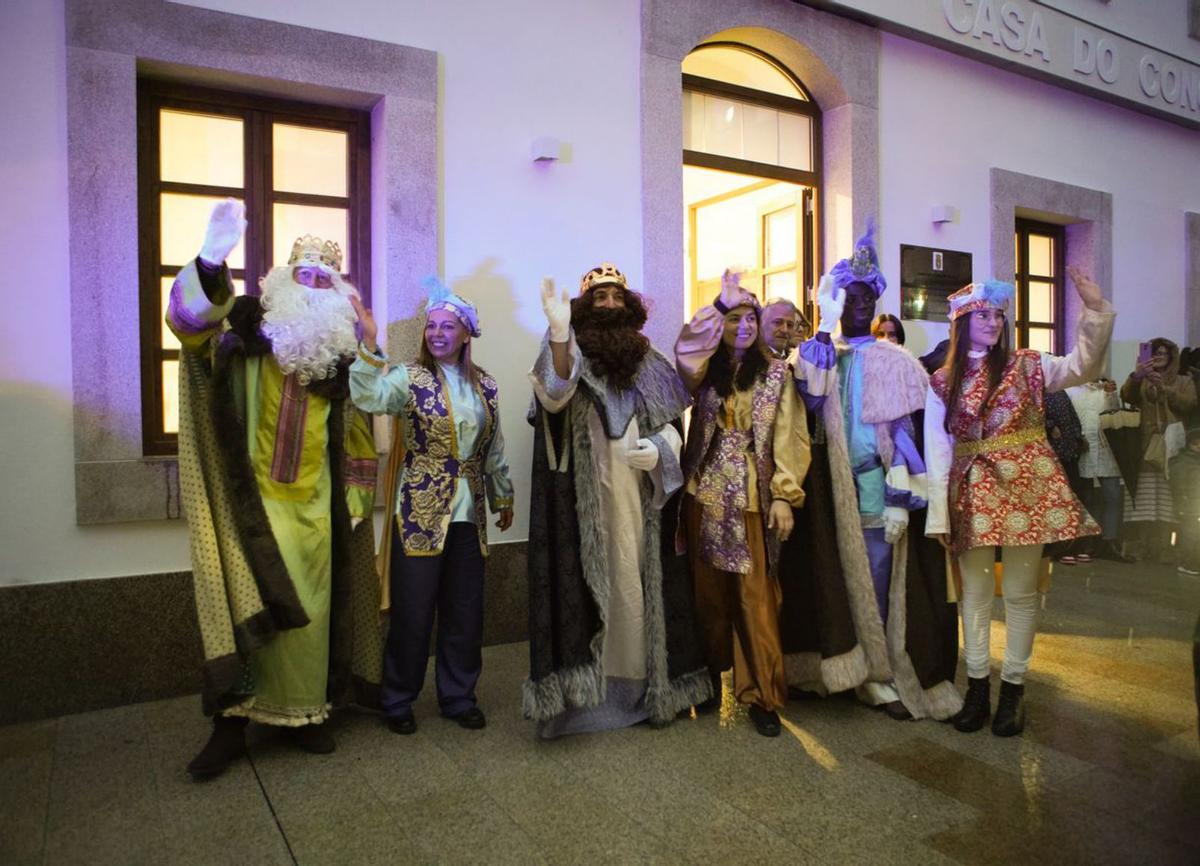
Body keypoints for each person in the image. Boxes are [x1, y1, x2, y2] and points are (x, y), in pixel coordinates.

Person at [170, 201, 381, 779]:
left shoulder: (344, 359)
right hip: (251, 508)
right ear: (283, 281)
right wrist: (211, 263)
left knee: (311, 620)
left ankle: (306, 717)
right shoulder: (244, 328)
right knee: (248, 611)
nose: (312, 286)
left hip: (317, 514)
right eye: (303, 275)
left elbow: (364, 430)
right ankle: (232, 726)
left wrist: (357, 504)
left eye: (324, 279)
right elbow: (189, 330)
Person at [925, 268, 1115, 737]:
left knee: (1022, 592)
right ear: (962, 322)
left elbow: (1083, 366)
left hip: (1028, 485)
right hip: (970, 487)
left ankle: (1013, 688)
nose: (993, 322)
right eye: (983, 315)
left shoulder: (1029, 364)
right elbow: (937, 449)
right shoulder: (942, 380)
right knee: (974, 593)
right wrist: (938, 510)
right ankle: (975, 689)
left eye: (998, 315)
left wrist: (1095, 311)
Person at [524, 263, 712, 736]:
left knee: (636, 587)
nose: (608, 304)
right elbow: (552, 397)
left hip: (639, 502)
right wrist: (559, 334)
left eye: (616, 297)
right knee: (586, 587)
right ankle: (585, 701)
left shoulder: (649, 362)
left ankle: (645, 693)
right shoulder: (565, 348)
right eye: (600, 297)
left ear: (629, 306)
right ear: (585, 306)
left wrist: (662, 451)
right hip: (581, 502)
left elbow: (674, 428)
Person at [784, 223, 961, 722]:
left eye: (865, 298)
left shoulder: (898, 361)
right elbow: (811, 395)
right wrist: (823, 324)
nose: (858, 305)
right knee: (836, 579)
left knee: (880, 581)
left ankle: (880, 671)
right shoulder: (821, 356)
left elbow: (908, 432)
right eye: (848, 297)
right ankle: (846, 666)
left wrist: (904, 495)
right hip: (828, 491)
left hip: (877, 488)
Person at [349, 278, 513, 735]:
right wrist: (368, 344)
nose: (437, 333)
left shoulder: (488, 386)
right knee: (412, 611)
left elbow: (493, 446)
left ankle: (459, 697)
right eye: (431, 326)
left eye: (447, 326)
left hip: (470, 515)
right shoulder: (409, 378)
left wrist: (502, 493)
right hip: (419, 511)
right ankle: (398, 699)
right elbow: (367, 396)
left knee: (464, 612)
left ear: (467, 334)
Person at [674, 272, 811, 737]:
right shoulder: (705, 371)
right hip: (703, 494)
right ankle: (709, 682)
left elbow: (791, 435)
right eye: (734, 319)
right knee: (707, 596)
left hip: (752, 495)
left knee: (755, 599)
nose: (745, 326)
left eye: (750, 318)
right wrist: (715, 307)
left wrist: (784, 496)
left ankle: (761, 696)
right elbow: (685, 353)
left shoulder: (775, 374)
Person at [1120, 338, 1197, 563]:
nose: (1160, 355)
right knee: (1144, 502)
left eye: (1164, 352)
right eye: (1156, 352)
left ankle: (1164, 548)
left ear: (1172, 357)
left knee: (1167, 500)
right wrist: (1137, 376)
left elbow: (1189, 404)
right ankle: (1142, 546)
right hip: (1145, 447)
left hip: (1171, 446)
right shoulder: (1140, 378)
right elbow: (1126, 396)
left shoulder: (1184, 380)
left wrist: (1165, 389)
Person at [1067, 378, 1132, 562]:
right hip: (1082, 452)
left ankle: (1109, 542)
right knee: (1088, 499)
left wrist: (1111, 394)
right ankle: (1089, 542)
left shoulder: (1107, 389)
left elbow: (1113, 413)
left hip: (1107, 451)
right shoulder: (1071, 390)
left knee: (1112, 496)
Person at [1043, 389, 1088, 564]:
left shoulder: (1060, 392)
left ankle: (1074, 546)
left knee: (1074, 498)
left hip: (1069, 452)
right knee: (1056, 503)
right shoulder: (1034, 389)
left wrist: (1077, 438)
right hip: (1050, 454)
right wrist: (1049, 425)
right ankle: (1058, 549)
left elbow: (1073, 418)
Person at [1169, 424, 1200, 576]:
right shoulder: (1183, 462)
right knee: (1191, 534)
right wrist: (1182, 504)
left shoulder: (1192, 461)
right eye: (1196, 443)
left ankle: (1192, 562)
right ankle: (1188, 563)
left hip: (1194, 505)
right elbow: (1178, 486)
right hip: (1189, 506)